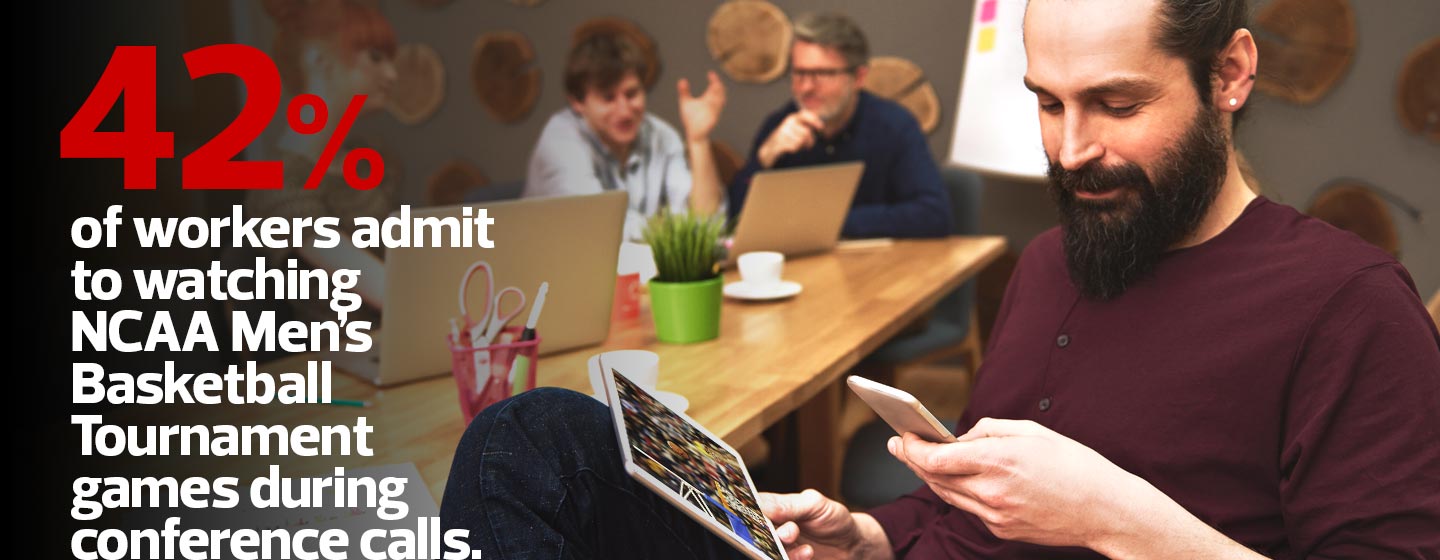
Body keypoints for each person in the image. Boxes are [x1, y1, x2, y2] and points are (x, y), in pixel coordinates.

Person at [441, 0, 1440, 558]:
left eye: (1115, 103)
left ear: (1231, 73)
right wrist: (870, 529)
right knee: (532, 440)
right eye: (1047, 103)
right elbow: (974, 513)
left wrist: (1112, 515)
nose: (1072, 148)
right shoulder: (1053, 264)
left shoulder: (1346, 305)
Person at [727, 13, 951, 239]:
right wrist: (763, 158)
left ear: (859, 77)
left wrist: (829, 223)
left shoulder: (894, 125)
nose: (805, 87)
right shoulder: (779, 125)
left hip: (880, 266)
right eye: (799, 73)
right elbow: (735, 221)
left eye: (821, 74)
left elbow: (934, 216)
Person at [243, 0, 398, 321]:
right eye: (375, 57)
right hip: (327, 361)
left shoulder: (361, 163)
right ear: (319, 61)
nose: (391, 74)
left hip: (386, 348)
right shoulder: (281, 184)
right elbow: (388, 292)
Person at [523, 32, 726, 241]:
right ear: (577, 102)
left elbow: (708, 224)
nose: (624, 111)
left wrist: (698, 141)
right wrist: (681, 230)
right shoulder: (559, 142)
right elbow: (599, 226)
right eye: (608, 98)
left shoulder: (661, 135)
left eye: (631, 94)